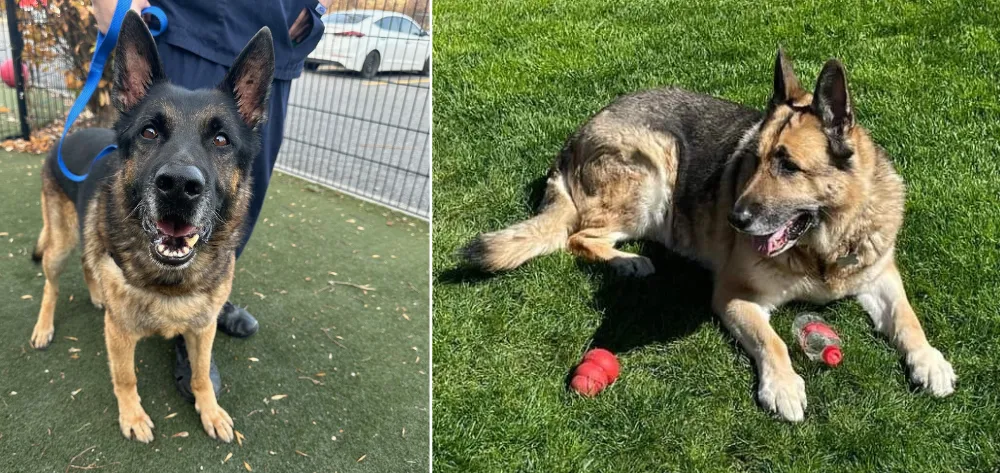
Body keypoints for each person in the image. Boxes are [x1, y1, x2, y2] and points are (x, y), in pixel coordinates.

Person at [91, 0, 331, 401]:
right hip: (193, 22)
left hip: (280, 24)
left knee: (227, 217)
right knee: (145, 215)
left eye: (219, 140)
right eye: (150, 133)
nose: (182, 174)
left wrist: (314, 6)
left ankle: (205, 309)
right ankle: (159, 310)